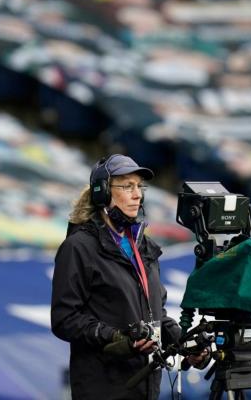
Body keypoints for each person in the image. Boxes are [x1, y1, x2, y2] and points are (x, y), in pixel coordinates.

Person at [51, 154, 200, 399]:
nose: (137, 194)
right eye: (127, 186)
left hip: (146, 386)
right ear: (102, 193)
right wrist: (115, 336)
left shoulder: (144, 246)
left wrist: (186, 344)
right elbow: (64, 318)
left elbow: (156, 314)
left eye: (139, 186)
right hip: (103, 387)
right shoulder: (78, 247)